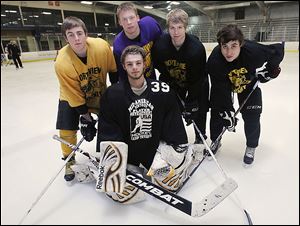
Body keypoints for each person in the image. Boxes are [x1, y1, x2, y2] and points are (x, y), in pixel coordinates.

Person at [96, 45, 204, 203]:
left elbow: (173, 124)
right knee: (124, 196)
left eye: (138, 63)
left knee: (170, 185)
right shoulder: (112, 94)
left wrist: (178, 149)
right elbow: (109, 130)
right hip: (129, 153)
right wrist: (111, 163)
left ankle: (185, 159)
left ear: (145, 64)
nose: (134, 68)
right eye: (130, 64)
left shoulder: (162, 90)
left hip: (155, 149)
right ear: (124, 66)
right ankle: (99, 169)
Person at [207, 24, 284, 165]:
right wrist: (227, 111)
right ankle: (215, 140)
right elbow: (219, 89)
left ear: (241, 44)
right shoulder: (214, 61)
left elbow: (278, 51)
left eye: (234, 46)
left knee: (252, 115)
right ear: (219, 45)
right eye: (224, 46)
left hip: (247, 83)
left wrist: (270, 70)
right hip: (225, 84)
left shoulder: (254, 52)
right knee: (218, 112)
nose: (229, 52)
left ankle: (251, 146)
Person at [54, 16, 117, 182]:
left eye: (79, 33)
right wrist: (86, 118)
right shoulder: (62, 62)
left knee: (111, 122)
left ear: (86, 34)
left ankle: (110, 153)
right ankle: (69, 159)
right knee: (67, 129)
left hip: (99, 93)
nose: (76, 38)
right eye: (71, 35)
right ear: (65, 38)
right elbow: (73, 95)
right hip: (71, 97)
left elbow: (114, 72)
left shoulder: (101, 47)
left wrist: (118, 96)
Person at [151, 8, 209, 144]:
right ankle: (175, 137)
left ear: (185, 28)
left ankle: (200, 138)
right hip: (174, 82)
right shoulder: (160, 46)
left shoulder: (196, 49)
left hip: (197, 82)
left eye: (179, 27)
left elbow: (198, 78)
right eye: (172, 28)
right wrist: (169, 80)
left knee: (198, 110)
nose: (176, 32)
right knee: (172, 109)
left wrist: (192, 100)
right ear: (168, 28)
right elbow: (160, 67)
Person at [113, 2, 162, 83]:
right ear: (120, 22)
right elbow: (122, 74)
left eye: (131, 17)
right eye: (124, 19)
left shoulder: (151, 25)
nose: (129, 22)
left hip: (152, 78)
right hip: (134, 83)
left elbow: (162, 44)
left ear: (137, 18)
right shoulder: (119, 46)